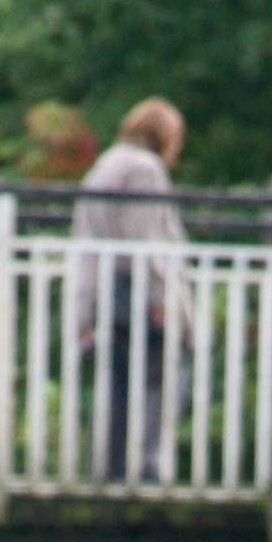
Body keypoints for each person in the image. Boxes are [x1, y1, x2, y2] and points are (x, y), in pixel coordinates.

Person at [74, 99, 191, 482]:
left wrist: (81, 311)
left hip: (107, 291)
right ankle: (147, 467)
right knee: (164, 381)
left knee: (118, 385)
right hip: (136, 292)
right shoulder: (145, 170)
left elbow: (85, 243)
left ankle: (110, 468)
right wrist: (162, 300)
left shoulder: (103, 166)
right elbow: (147, 240)